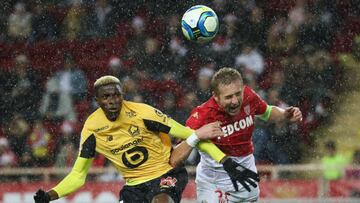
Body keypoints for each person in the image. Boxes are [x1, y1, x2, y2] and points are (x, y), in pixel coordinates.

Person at [34, 75, 257, 203]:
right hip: (133, 187)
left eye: (116, 95)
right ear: (97, 100)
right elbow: (78, 175)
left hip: (166, 174)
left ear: (122, 95)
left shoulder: (143, 113)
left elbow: (190, 134)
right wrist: (51, 195)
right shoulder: (92, 129)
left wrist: (225, 160)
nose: (113, 101)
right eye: (106, 97)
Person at [185, 67, 303, 202]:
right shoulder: (203, 114)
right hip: (213, 182)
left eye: (237, 94)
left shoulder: (248, 96)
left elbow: (266, 112)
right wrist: (198, 134)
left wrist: (284, 114)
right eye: (228, 97)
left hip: (246, 177)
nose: (235, 101)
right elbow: (183, 140)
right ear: (215, 96)